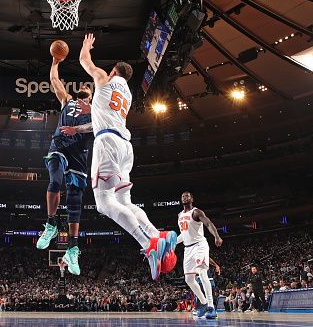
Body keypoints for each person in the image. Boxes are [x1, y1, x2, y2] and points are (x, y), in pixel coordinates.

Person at [74, 33, 176, 280]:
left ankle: (147, 243)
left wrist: (86, 47)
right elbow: (108, 111)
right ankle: (156, 235)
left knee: (103, 203)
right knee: (125, 202)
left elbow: (84, 61)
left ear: (112, 71)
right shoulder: (128, 94)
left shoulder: (103, 79)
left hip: (107, 143)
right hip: (124, 147)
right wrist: (93, 108)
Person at [36, 54, 93, 276]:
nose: (85, 89)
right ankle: (51, 224)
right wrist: (54, 62)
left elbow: (95, 126)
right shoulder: (67, 100)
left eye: (88, 89)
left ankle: (72, 248)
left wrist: (77, 129)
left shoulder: (95, 109)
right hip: (59, 145)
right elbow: (54, 81)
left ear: (91, 96)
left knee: (75, 201)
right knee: (55, 180)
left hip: (79, 152)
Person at [177, 191, 223, 319]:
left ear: (192, 198)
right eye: (183, 196)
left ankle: (211, 306)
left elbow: (208, 223)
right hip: (188, 248)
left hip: (199, 245)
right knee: (189, 280)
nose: (185, 197)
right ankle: (203, 303)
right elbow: (183, 234)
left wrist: (216, 236)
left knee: (202, 273)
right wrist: (172, 243)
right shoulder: (180, 215)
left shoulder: (197, 212)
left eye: (187, 195)